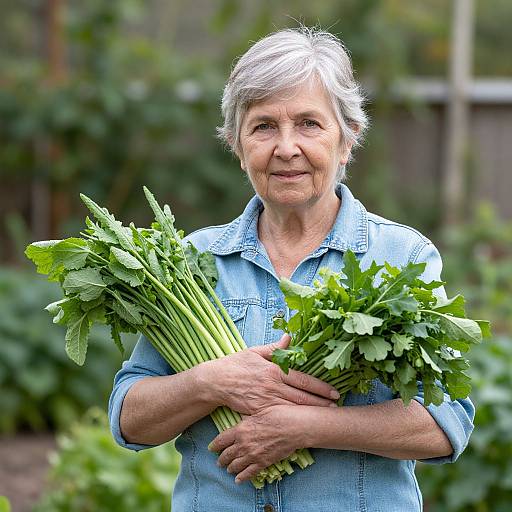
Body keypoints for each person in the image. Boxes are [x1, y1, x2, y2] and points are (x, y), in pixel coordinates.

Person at [109, 26, 474, 511]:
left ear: (347, 139)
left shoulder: (401, 257)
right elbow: (129, 420)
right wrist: (209, 381)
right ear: (238, 146)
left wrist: (306, 426)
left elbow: (444, 424)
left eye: (308, 124)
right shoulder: (192, 261)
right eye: (262, 126)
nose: (285, 147)